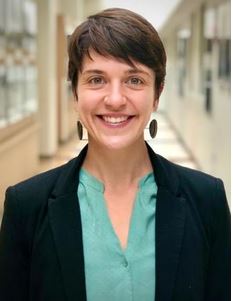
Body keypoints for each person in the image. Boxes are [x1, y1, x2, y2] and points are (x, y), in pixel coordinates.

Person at [0, 7, 230, 301]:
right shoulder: (26, 207)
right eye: (96, 79)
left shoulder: (207, 199)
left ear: (157, 94)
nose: (116, 99)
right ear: (75, 93)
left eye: (135, 80)